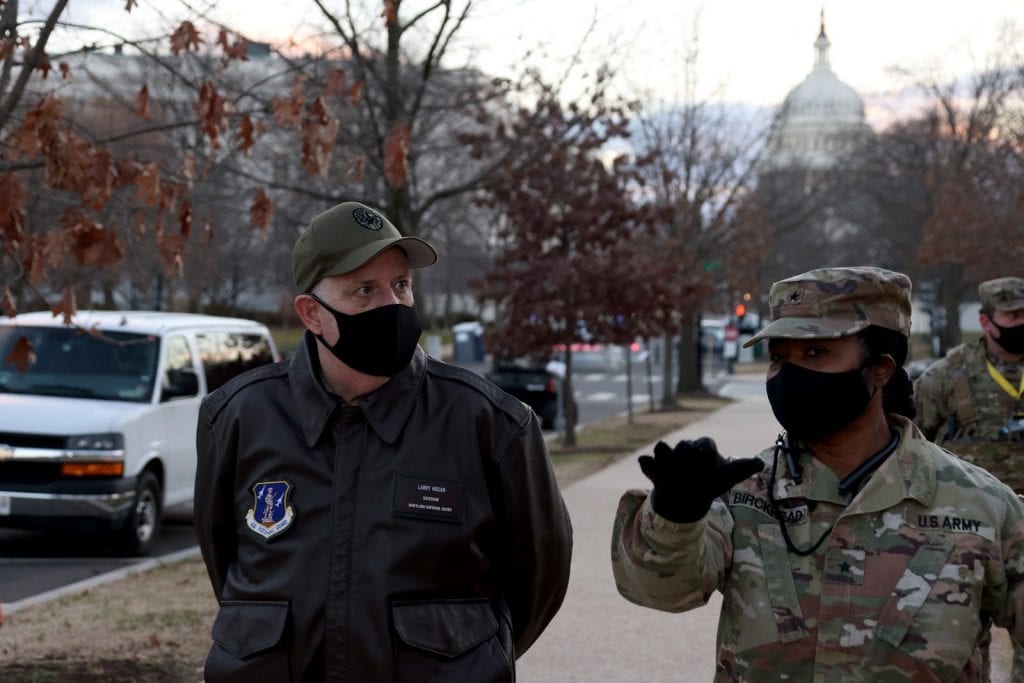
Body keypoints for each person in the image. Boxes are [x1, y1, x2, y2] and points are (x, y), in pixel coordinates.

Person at [194, 200, 572, 682]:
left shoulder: (489, 422)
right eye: (365, 291)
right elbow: (224, 562)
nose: (391, 306)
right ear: (312, 314)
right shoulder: (237, 416)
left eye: (401, 285)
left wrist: (469, 660)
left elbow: (539, 577)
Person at [610, 266, 1024, 681]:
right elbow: (661, 591)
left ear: (880, 368)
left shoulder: (981, 505)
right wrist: (675, 513)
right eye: (779, 357)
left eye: (815, 353)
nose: (789, 374)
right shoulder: (743, 495)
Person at [914, 276, 1024, 680]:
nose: (1020, 322)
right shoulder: (944, 377)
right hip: (966, 530)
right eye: (1012, 315)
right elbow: (913, 448)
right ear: (986, 321)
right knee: (961, 642)